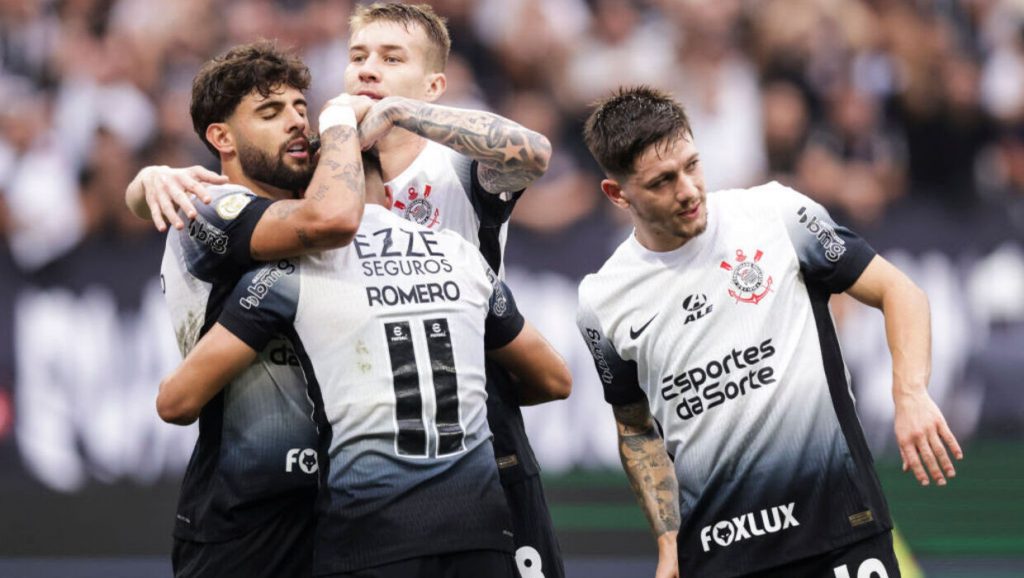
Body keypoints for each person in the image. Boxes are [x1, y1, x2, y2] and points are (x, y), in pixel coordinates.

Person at [127, 5, 564, 577]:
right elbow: (326, 217)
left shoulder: (458, 165)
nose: (368, 70)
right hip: (313, 484)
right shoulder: (318, 180)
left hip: (477, 445)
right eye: (357, 56)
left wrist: (401, 114)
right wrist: (149, 180)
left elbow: (534, 152)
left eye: (391, 57)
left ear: (434, 84)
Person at [576, 86, 964, 578]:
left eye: (693, 165)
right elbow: (635, 428)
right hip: (721, 557)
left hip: (838, 532)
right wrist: (668, 538)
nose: (689, 190)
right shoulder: (602, 301)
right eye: (662, 182)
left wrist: (910, 394)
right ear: (617, 194)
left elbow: (900, 291)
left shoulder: (776, 215)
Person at [157, 152, 572, 578]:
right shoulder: (460, 254)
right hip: (480, 530)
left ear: (309, 198)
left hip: (370, 532)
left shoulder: (291, 272)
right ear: (388, 188)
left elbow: (176, 401)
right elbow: (555, 380)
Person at [150, 40, 373, 577]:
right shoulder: (211, 208)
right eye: (270, 113)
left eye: (301, 107)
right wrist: (341, 121)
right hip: (244, 522)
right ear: (220, 138)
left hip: (335, 509)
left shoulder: (290, 215)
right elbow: (332, 221)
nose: (298, 123)